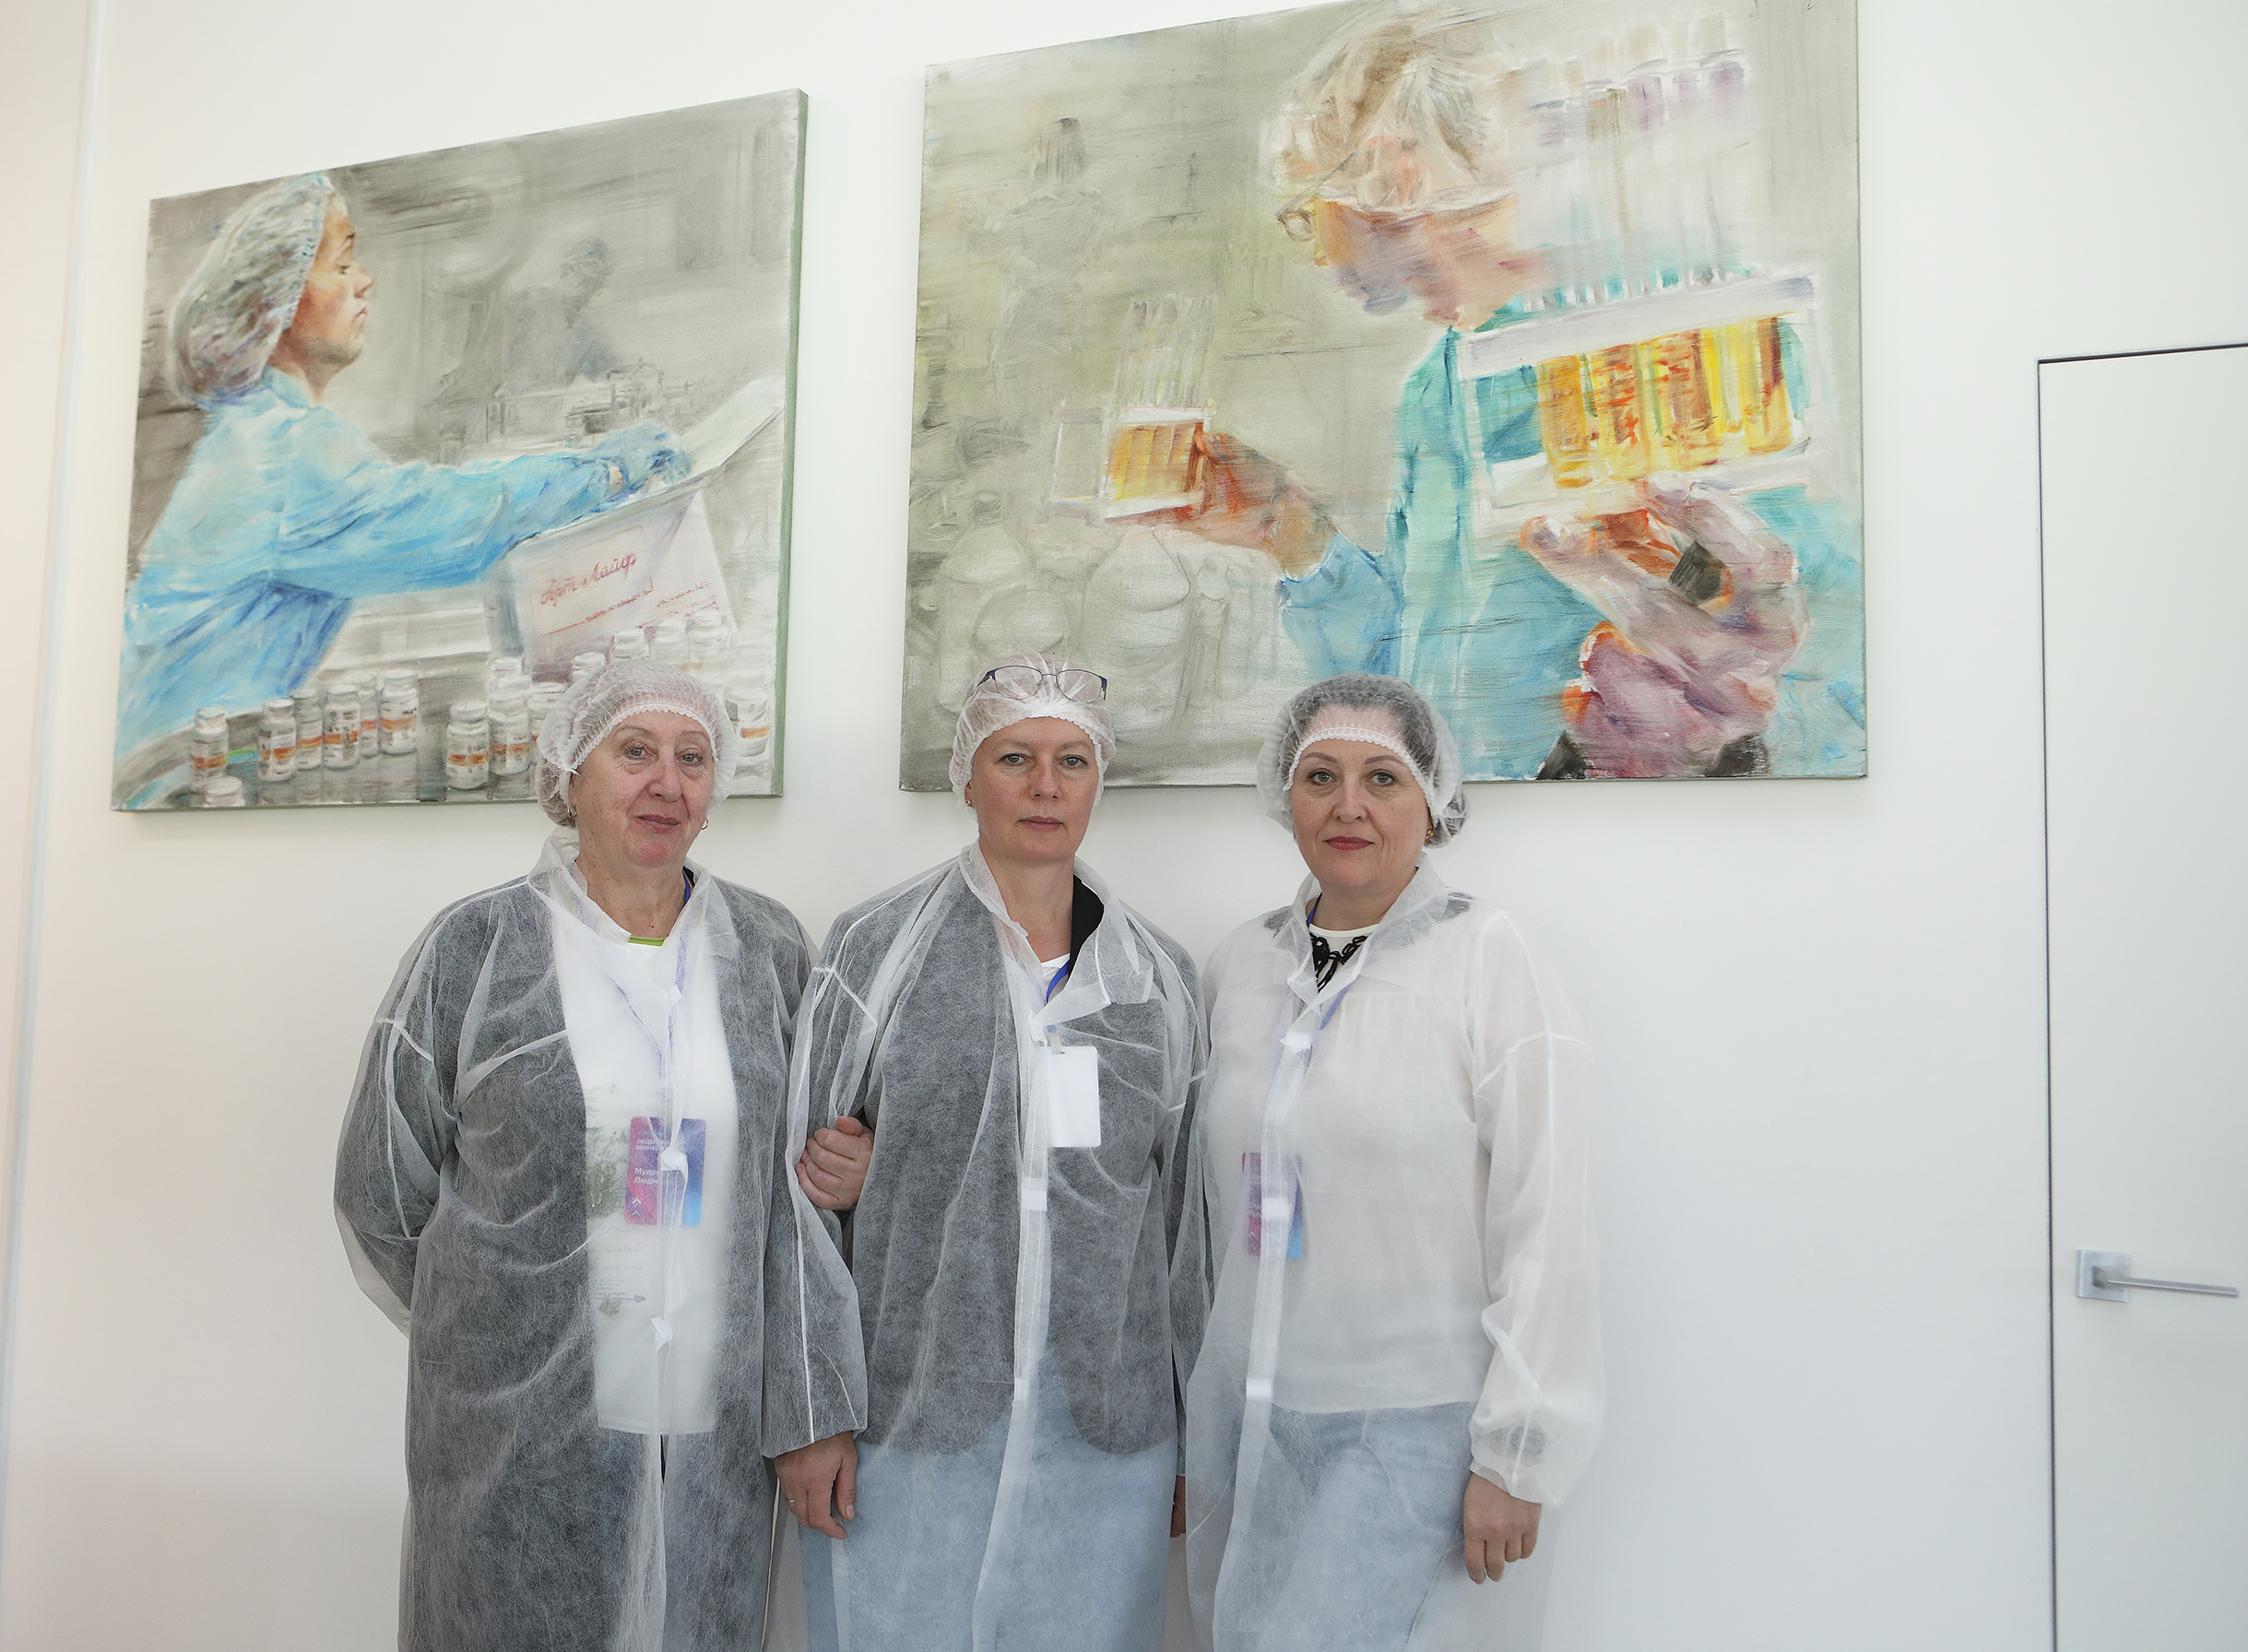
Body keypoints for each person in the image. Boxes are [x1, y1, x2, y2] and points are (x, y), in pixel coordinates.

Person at [1174, 7, 1863, 782]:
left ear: (1399, 172)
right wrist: (1292, 531)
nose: (1323, 258)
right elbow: (1419, 671)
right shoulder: (1439, 387)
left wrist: (1734, 732)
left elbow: (1832, 672)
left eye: (1311, 216)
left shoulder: (1699, 352)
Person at [333, 662, 870, 1652]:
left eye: (692, 758)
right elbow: (381, 1189)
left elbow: (795, 1199)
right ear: (569, 774)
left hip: (713, 1426)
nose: (667, 783)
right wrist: (510, 1329)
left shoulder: (768, 950)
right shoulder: (476, 947)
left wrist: (852, 1167)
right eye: (635, 752)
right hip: (522, 1432)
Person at [763, 654, 1206, 1652]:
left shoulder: (1158, 980)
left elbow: (1186, 1228)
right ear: (968, 775)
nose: (1045, 786)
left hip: (1105, 1435)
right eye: (1015, 758)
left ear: (1098, 780)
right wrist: (810, 1412)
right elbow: (795, 1205)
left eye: (1071, 761)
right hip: (910, 1430)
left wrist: (1191, 1438)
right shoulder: (878, 950)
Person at [1184, 674, 1600, 1651]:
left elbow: (1548, 1214)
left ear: (1432, 800)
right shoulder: (1243, 965)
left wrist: (1518, 1452)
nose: (1348, 805)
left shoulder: (1488, 956)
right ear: (1283, 796)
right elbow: (1196, 1204)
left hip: (1419, 1424)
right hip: (1255, 1414)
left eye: (1382, 777)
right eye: (1319, 776)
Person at [120, 175, 687, 756]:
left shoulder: (255, 427)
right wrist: (607, 472)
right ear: (275, 304)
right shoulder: (284, 451)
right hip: (165, 765)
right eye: (342, 264)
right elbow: (464, 521)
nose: (364, 279)